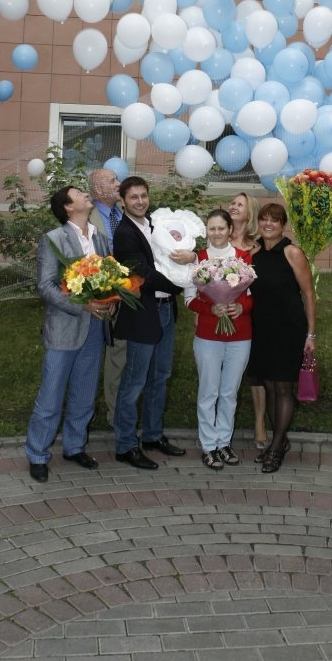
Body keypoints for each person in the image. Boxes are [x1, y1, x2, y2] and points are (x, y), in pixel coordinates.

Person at [25, 186, 113, 484]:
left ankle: (75, 447)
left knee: (85, 395)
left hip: (95, 328)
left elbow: (109, 280)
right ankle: (37, 454)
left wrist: (109, 303)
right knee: (50, 396)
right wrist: (82, 304)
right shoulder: (53, 239)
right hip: (65, 328)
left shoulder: (100, 239)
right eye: (79, 193)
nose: (87, 194)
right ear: (67, 206)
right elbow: (46, 286)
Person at [111, 176, 195, 470]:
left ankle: (152, 435)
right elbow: (142, 274)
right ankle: (125, 445)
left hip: (166, 310)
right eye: (133, 197)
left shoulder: (154, 224)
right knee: (134, 381)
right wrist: (181, 284)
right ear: (122, 201)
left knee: (160, 376)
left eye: (143, 195)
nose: (140, 201)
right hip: (142, 314)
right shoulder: (124, 233)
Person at [246, 201, 316, 474]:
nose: (268, 224)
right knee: (270, 384)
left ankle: (275, 448)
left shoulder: (292, 252)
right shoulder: (255, 255)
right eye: (264, 219)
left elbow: (309, 294)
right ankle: (280, 439)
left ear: (282, 225)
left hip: (289, 327)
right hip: (262, 328)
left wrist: (311, 333)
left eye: (274, 220)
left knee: (284, 387)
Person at [187, 209, 253, 471]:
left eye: (221, 228)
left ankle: (224, 442)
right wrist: (209, 309)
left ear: (230, 230)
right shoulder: (198, 260)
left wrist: (242, 307)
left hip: (240, 334)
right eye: (212, 228)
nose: (216, 233)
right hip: (208, 334)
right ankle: (208, 446)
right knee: (209, 391)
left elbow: (249, 294)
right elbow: (189, 298)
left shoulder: (243, 258)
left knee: (229, 392)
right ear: (206, 231)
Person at [229, 192, 266, 450]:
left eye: (239, 204)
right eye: (232, 203)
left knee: (256, 372)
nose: (233, 206)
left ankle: (260, 424)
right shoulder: (218, 238)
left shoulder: (258, 247)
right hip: (221, 312)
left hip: (251, 314)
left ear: (249, 213)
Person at [88, 167, 124, 424]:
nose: (118, 183)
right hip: (94, 299)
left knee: (118, 355)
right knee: (89, 359)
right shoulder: (87, 217)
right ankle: (84, 412)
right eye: (113, 181)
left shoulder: (121, 213)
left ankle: (115, 414)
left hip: (124, 294)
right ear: (99, 190)